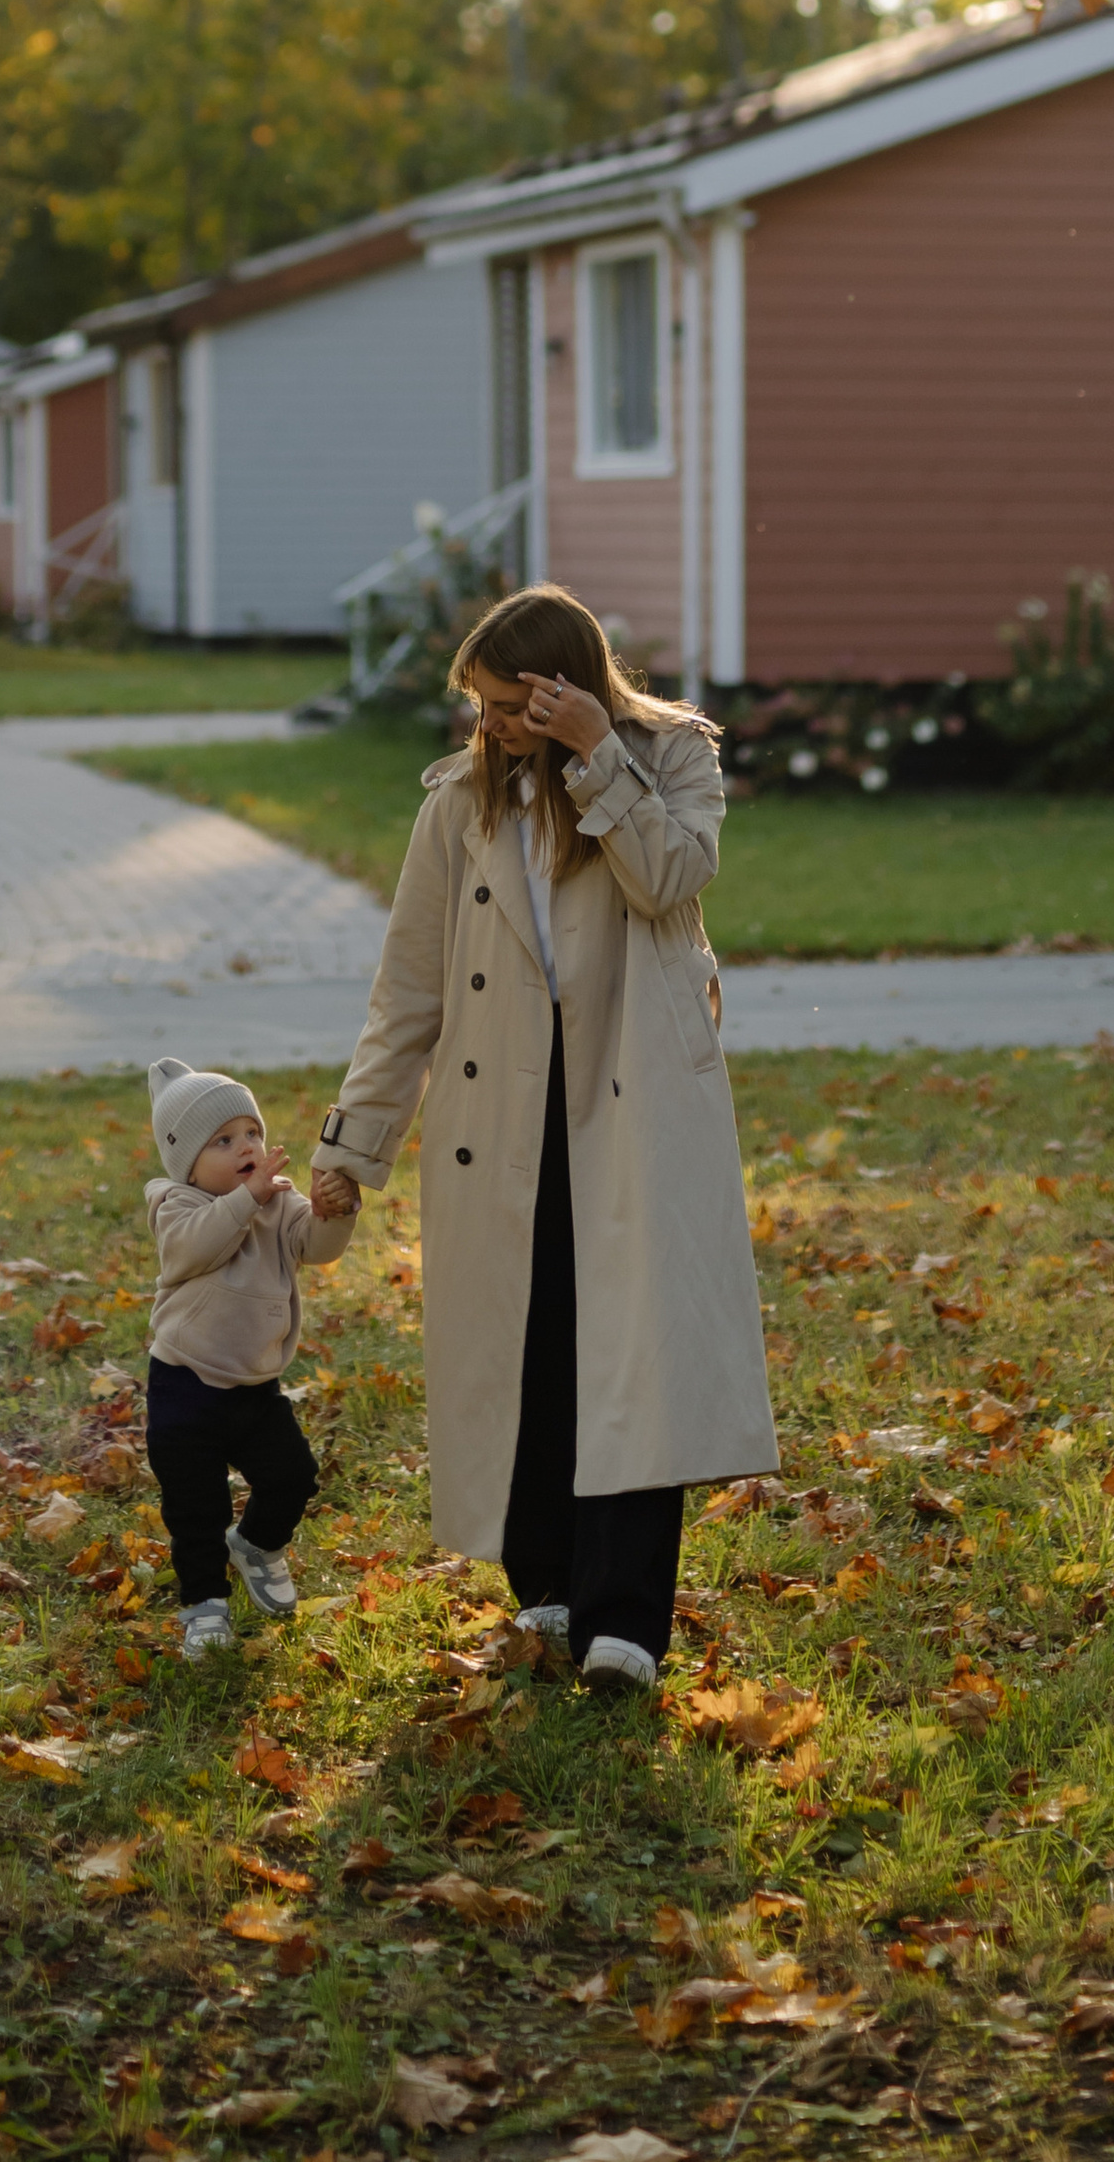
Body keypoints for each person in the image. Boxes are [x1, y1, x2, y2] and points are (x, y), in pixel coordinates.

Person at [310, 583, 778, 1690]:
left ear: (559, 689)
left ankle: (627, 1624)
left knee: (633, 1351)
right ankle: (548, 1591)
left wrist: (596, 758)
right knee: (529, 1342)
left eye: (506, 705)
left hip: (633, 1098)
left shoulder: (671, 757)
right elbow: (409, 993)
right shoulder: (457, 805)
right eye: (476, 706)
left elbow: (670, 881)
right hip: (497, 1109)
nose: (487, 727)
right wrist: (351, 1146)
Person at [144, 1055, 360, 1659]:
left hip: (253, 1389)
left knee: (293, 1476)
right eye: (223, 1140)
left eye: (252, 1132)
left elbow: (314, 1245)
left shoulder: (277, 1201)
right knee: (195, 1507)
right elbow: (198, 1247)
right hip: (183, 1384)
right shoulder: (175, 1204)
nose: (246, 1146)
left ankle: (260, 1544)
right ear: (187, 1161)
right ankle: (204, 1606)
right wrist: (247, 1198)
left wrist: (333, 1210)